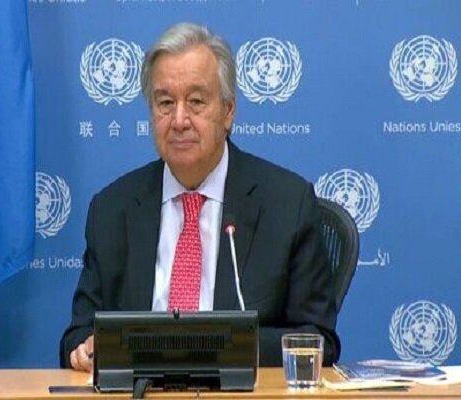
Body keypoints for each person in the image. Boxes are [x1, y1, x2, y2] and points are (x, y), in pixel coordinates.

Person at [60, 22, 340, 371]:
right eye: (165, 103)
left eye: (196, 102)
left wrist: (210, 347)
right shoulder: (112, 209)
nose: (179, 120)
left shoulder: (287, 203)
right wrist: (85, 349)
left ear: (228, 111)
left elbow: (318, 340)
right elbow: (77, 335)